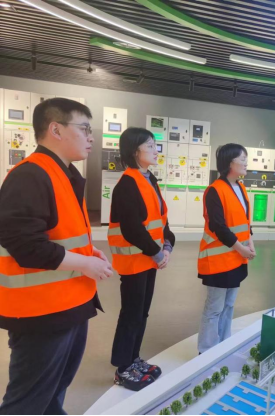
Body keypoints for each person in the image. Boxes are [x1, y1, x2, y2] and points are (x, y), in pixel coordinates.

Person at [0, 98, 113, 415]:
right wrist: (85, 263)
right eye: (85, 128)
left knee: (53, 393)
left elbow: (59, 233)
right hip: (41, 312)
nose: (91, 137)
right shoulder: (30, 175)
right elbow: (26, 245)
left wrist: (88, 252)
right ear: (56, 129)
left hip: (69, 303)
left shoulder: (62, 173)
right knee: (26, 402)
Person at [108, 128, 176, 391]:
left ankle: (134, 359)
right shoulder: (127, 184)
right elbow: (132, 229)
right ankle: (122, 368)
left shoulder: (150, 180)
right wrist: (158, 253)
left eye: (155, 145)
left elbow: (161, 220)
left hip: (149, 260)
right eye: (150, 146)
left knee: (141, 313)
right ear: (134, 151)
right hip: (135, 261)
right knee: (131, 314)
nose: (156, 151)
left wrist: (167, 246)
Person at [197, 144, 255, 354]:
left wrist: (250, 242)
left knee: (229, 305)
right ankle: (206, 351)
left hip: (236, 258)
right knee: (214, 308)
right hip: (219, 261)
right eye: (242, 159)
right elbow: (218, 227)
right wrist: (241, 248)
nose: (246, 162)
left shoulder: (241, 188)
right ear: (229, 163)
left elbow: (245, 222)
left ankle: (223, 346)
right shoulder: (214, 190)